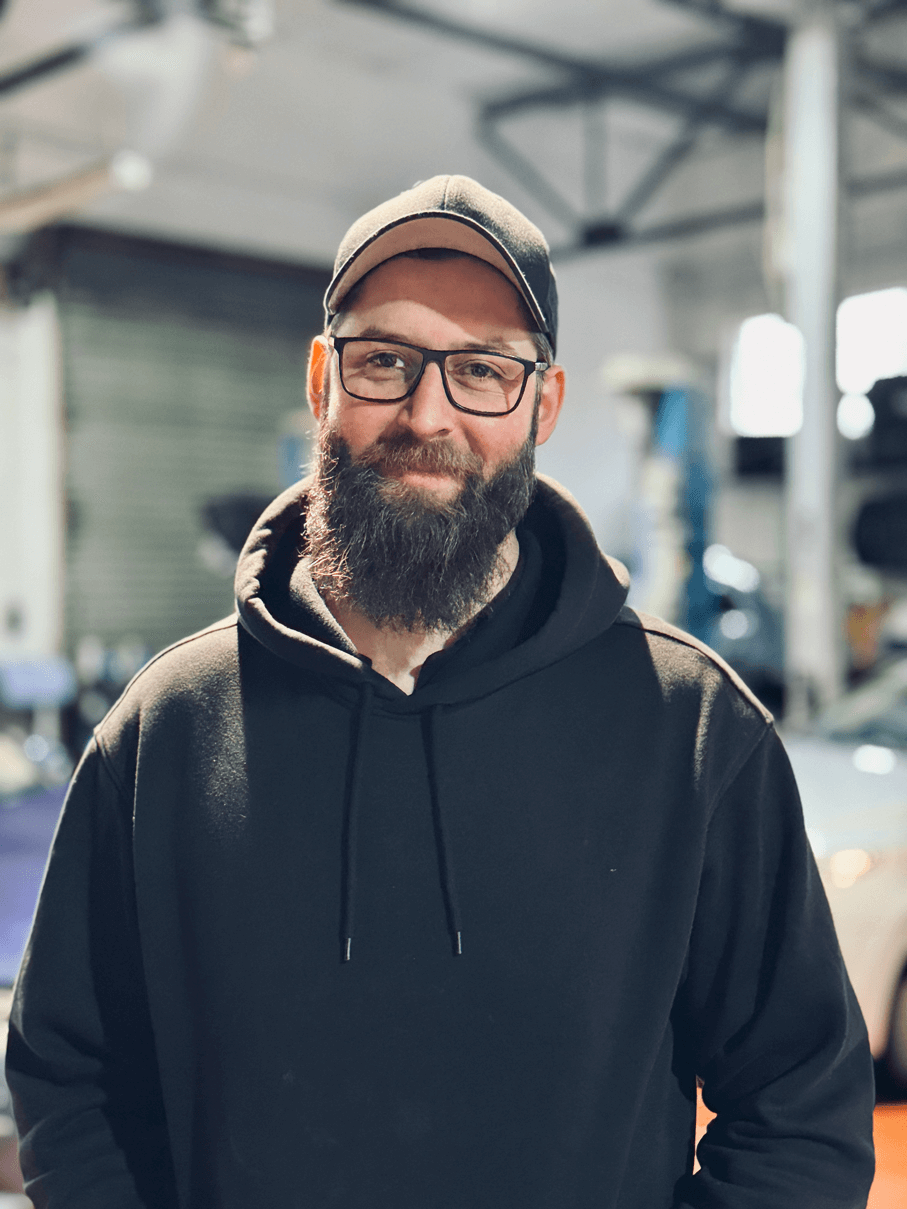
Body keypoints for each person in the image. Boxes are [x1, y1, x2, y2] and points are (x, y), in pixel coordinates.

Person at [6, 175, 874, 1209]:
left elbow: (799, 1110)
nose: (429, 414)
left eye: (482, 372)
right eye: (385, 362)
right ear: (323, 377)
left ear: (543, 404)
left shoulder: (689, 730)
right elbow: (73, 1077)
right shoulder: (168, 729)